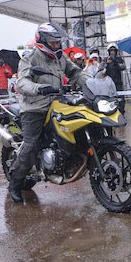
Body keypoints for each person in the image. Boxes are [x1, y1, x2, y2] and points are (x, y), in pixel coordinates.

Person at [8, 22, 89, 203]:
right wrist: (39, 88)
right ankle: (14, 182)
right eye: (52, 42)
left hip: (57, 104)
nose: (56, 45)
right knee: (30, 145)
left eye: (57, 42)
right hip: (35, 108)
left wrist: (91, 85)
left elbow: (76, 73)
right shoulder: (30, 58)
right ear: (42, 40)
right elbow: (22, 82)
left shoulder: (61, 58)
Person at [103, 43, 127, 114]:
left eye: (113, 50)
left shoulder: (119, 59)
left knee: (120, 99)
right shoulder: (106, 60)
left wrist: (115, 61)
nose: (112, 52)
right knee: (110, 100)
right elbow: (101, 69)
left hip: (118, 83)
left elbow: (123, 67)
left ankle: (121, 113)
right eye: (111, 50)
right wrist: (107, 64)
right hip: (108, 84)